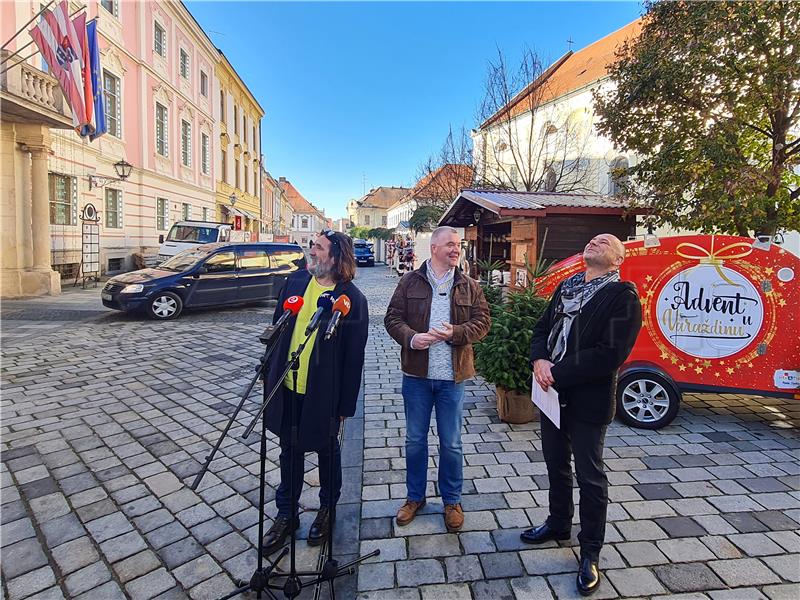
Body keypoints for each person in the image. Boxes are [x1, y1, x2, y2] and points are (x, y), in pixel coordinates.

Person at [520, 233, 642, 596]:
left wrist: (557, 371)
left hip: (587, 398)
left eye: (604, 241)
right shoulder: (567, 285)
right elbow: (542, 329)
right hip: (551, 393)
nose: (594, 242)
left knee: (590, 476)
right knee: (555, 464)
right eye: (591, 240)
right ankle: (558, 524)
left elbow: (611, 354)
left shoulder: (623, 296)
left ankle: (590, 551)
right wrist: (540, 360)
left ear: (618, 260)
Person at [261, 230, 369, 553]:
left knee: (327, 452)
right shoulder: (294, 284)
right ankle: (286, 513)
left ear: (335, 258)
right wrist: (269, 375)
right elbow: (277, 332)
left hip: (324, 393)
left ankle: (327, 509)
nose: (312, 252)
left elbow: (354, 360)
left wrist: (344, 406)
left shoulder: (352, 300)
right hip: (288, 385)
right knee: (288, 450)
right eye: (313, 246)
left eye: (319, 248)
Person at [384, 226, 491, 532]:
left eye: (458, 245)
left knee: (452, 443)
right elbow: (392, 318)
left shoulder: (469, 285)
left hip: (452, 379)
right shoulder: (409, 281)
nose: (456, 250)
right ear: (434, 248)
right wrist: (412, 339)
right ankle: (415, 497)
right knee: (415, 441)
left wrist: (456, 333)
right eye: (450, 245)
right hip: (416, 377)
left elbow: (483, 323)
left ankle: (452, 501)